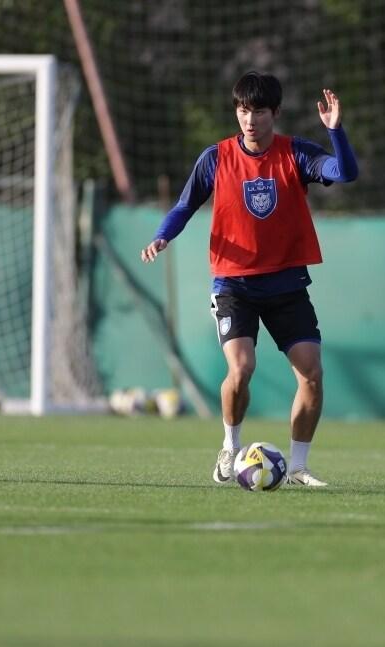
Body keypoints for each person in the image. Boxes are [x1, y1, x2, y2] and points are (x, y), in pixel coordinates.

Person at [141, 71, 358, 487]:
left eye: (258, 111)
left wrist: (336, 131)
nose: (250, 119)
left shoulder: (296, 153)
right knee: (241, 369)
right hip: (234, 284)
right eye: (243, 110)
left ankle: (298, 467)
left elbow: (345, 172)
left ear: (275, 112)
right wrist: (162, 236)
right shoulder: (216, 157)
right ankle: (230, 446)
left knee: (312, 374)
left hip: (287, 284)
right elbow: (185, 205)